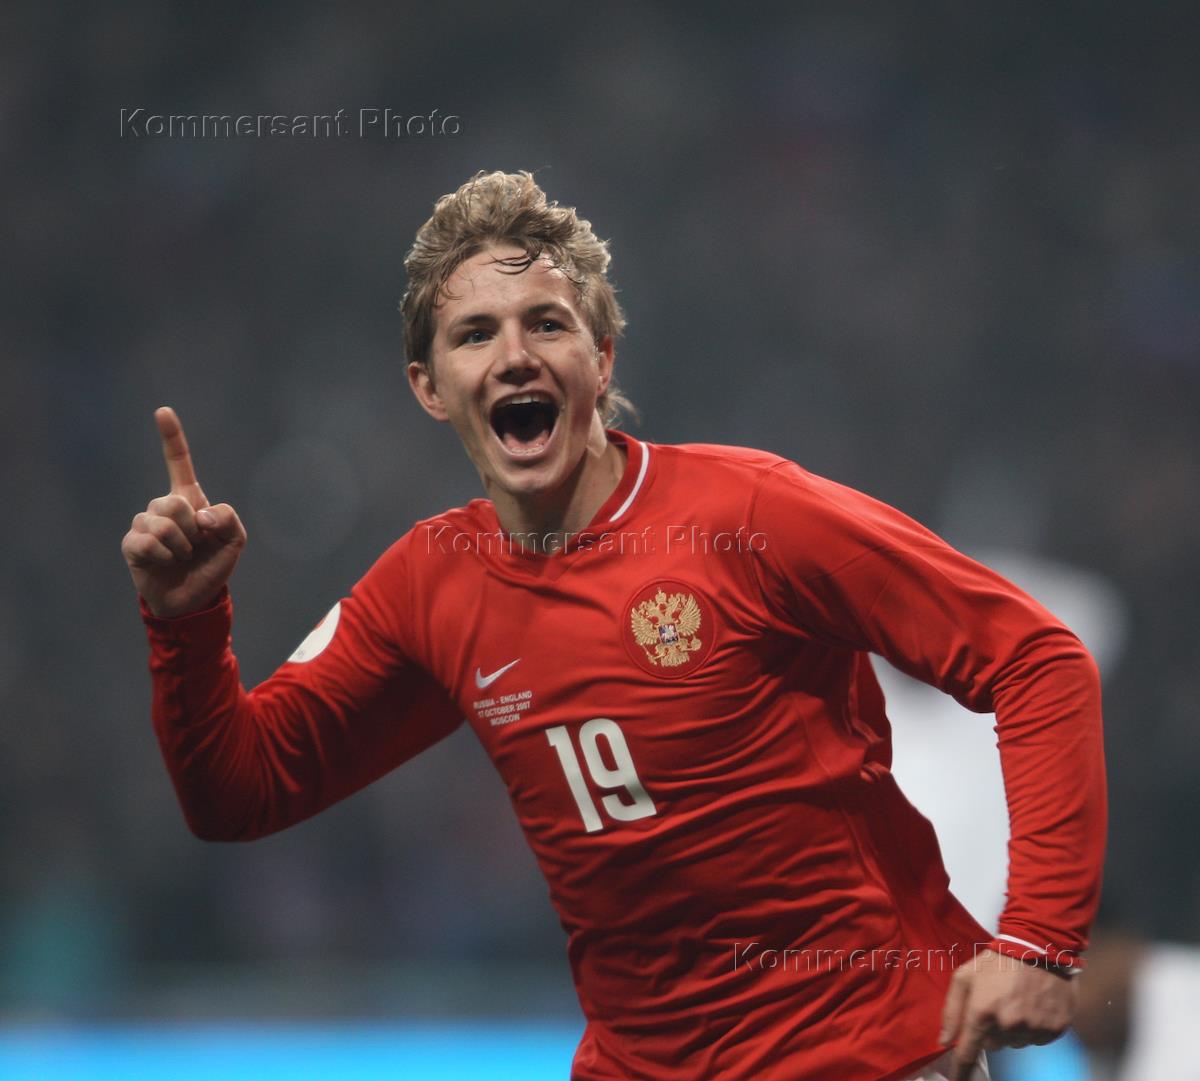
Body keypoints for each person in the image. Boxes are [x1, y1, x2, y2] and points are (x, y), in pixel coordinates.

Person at [122, 171, 1106, 1081]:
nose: (514, 355)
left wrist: (1040, 937)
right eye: (475, 334)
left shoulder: (748, 515)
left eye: (546, 323)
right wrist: (187, 623)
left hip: (867, 1052)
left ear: (600, 357)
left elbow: (1036, 656)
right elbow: (239, 790)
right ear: (427, 385)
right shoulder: (430, 584)